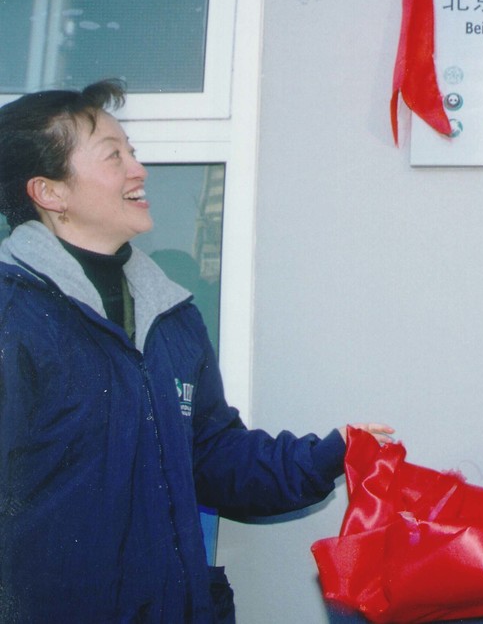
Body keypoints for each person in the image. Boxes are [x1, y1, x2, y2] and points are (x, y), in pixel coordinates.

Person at [0, 80, 395, 622]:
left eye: (132, 153)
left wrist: (326, 455)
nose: (138, 170)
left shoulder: (171, 315)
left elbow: (211, 455)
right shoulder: (13, 316)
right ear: (50, 193)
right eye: (114, 156)